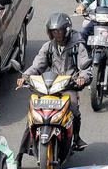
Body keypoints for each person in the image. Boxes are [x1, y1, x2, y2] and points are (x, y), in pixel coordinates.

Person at [19, 13, 91, 150]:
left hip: (69, 85)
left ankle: (76, 138)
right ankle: (21, 153)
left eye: (59, 31)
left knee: (74, 108)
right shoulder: (48, 47)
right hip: (49, 86)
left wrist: (82, 78)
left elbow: (85, 67)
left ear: (67, 31)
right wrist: (25, 77)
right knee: (34, 116)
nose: (56, 34)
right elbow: (37, 66)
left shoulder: (78, 46)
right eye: (53, 31)